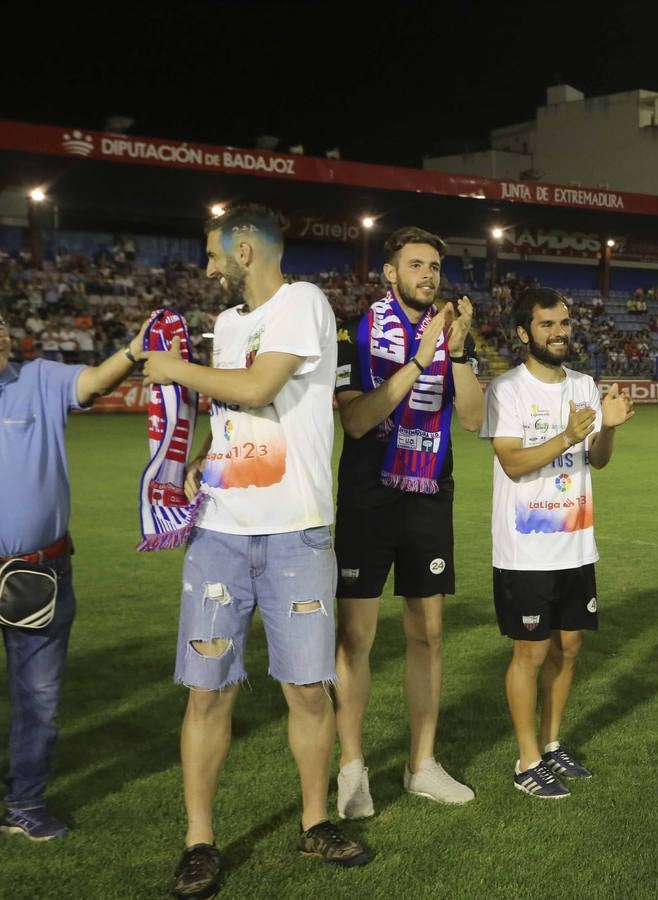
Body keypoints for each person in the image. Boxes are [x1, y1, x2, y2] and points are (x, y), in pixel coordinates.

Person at [140, 205, 370, 899]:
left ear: (245, 249)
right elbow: (235, 412)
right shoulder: (230, 325)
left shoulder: (302, 303)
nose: (208, 267)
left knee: (306, 686)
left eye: (214, 254)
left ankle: (314, 822)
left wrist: (172, 367)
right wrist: (200, 458)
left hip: (297, 529)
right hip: (219, 533)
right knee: (209, 692)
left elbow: (259, 387)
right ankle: (199, 842)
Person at [331, 227, 482, 819]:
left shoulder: (452, 335)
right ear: (390, 273)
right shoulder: (355, 331)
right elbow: (357, 422)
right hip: (369, 495)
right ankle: (351, 768)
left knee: (428, 633)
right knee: (356, 638)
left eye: (434, 266)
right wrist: (418, 359)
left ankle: (422, 765)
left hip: (429, 496)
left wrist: (459, 351)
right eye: (415, 264)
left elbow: (470, 419)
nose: (428, 274)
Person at [0, 310, 150, 841]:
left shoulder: (38, 376)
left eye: (0, 328)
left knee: (38, 696)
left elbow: (92, 381)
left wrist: (133, 352)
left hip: (41, 569)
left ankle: (23, 802)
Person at [481, 287, 634, 798]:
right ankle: (526, 761)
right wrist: (568, 436)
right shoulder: (507, 389)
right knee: (530, 652)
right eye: (547, 325)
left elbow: (600, 459)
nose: (560, 333)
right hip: (525, 550)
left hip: (575, 544)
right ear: (525, 333)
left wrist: (606, 429)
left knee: (569, 648)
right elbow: (513, 462)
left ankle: (550, 745)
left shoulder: (585, 385)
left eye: (564, 324)